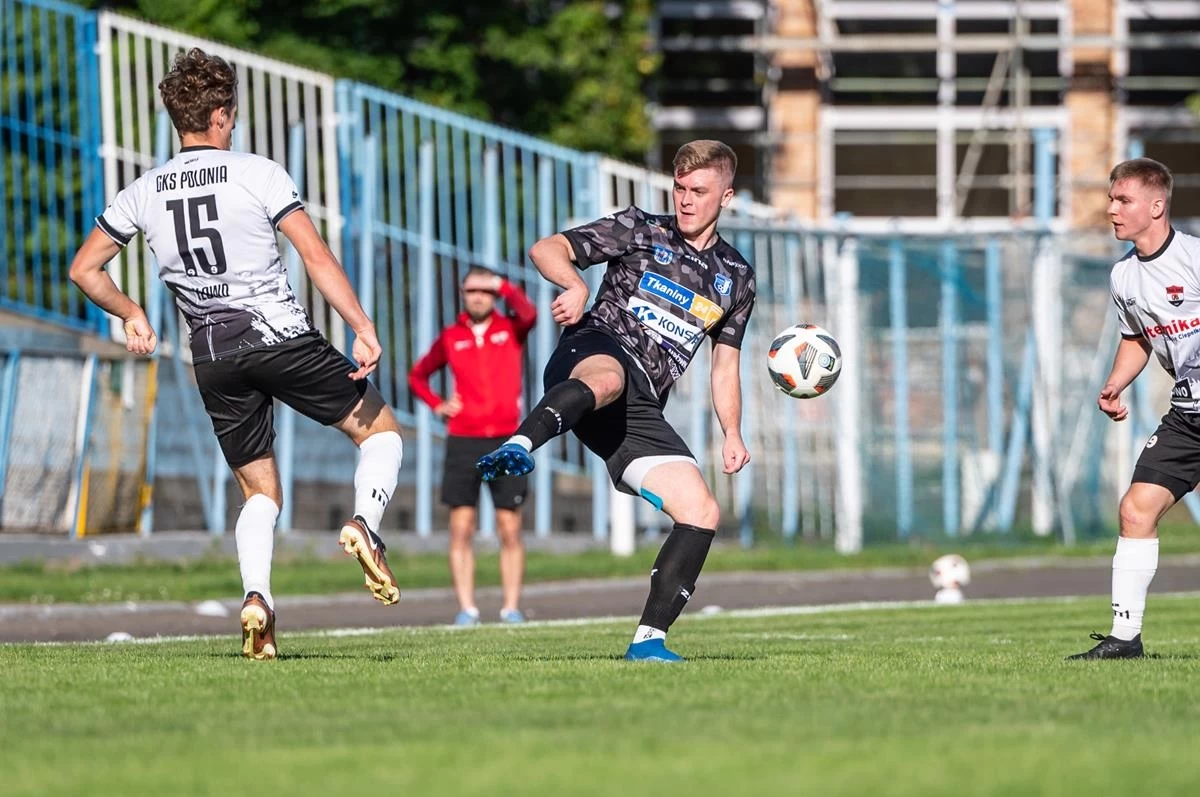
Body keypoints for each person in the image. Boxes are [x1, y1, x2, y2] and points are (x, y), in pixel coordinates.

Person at [68, 48, 404, 661]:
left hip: (212, 356)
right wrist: (361, 325)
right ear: (221, 115)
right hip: (279, 336)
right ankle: (366, 526)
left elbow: (85, 269)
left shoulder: (142, 191)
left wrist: (132, 313)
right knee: (380, 433)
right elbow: (315, 256)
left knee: (259, 492)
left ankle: (257, 601)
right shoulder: (258, 172)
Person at [476, 140, 756, 661]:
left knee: (701, 509)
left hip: (640, 406)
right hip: (594, 351)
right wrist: (574, 285)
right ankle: (519, 445)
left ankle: (648, 643)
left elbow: (725, 366)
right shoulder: (640, 228)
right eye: (679, 187)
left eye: (699, 191)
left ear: (727, 196)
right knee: (609, 378)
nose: (685, 200)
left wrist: (733, 432)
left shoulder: (736, 277)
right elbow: (546, 248)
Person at [1069, 157, 1200, 660]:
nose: (1112, 210)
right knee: (1135, 510)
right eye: (1111, 199)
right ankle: (1125, 639)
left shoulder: (1192, 257)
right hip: (1188, 417)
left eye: (1123, 200)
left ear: (1156, 205)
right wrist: (1114, 383)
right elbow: (1137, 338)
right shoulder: (1123, 275)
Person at [408, 267, 537, 625]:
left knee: (509, 526)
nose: (478, 296)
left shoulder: (510, 329)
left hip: (506, 439)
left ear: (494, 295)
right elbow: (418, 376)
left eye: (485, 290)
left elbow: (529, 313)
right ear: (463, 295)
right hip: (463, 439)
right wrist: (438, 405)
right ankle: (467, 609)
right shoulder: (452, 336)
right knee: (461, 527)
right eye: (471, 290)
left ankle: (511, 608)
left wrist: (502, 284)